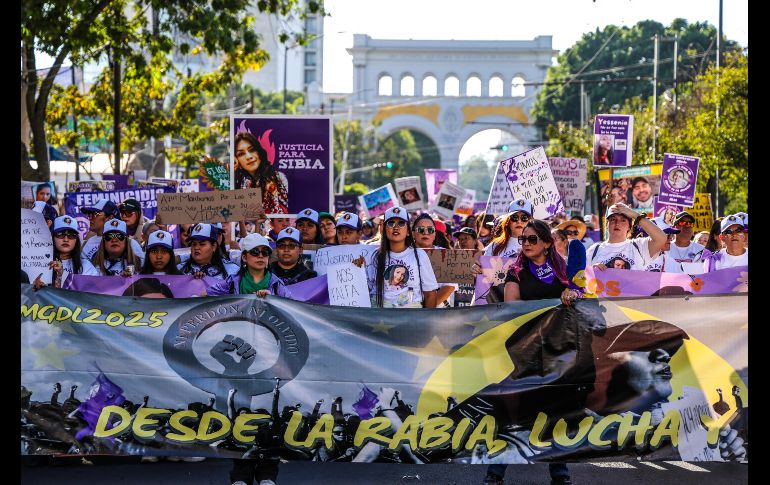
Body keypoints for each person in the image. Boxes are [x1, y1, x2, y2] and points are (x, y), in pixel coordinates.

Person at [484, 219, 578, 485]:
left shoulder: (564, 269)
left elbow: (582, 295)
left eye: (532, 239)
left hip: (557, 348)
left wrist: (573, 294)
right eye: (523, 239)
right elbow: (512, 306)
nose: (525, 243)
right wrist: (549, 304)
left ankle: (560, 473)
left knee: (554, 410)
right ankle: (495, 473)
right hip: (524, 349)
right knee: (514, 410)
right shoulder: (516, 271)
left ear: (547, 243)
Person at [367, 207, 439, 308]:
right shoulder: (374, 256)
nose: (396, 227)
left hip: (411, 319)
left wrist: (426, 322)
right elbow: (366, 290)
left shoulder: (419, 255)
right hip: (378, 318)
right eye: (391, 223)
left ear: (408, 231)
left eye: (401, 223)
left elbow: (430, 294)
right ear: (384, 229)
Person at [206, 233, 292, 298]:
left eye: (265, 252)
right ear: (244, 257)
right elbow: (206, 294)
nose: (260, 256)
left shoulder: (276, 284)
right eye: (255, 252)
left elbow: (292, 306)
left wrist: (272, 298)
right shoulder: (232, 282)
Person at [587, 203, 667, 271]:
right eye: (613, 219)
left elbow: (661, 239)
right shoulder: (594, 250)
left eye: (623, 220)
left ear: (629, 226)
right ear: (607, 224)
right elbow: (581, 277)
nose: (617, 223)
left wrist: (635, 215)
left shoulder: (638, 246)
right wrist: (592, 271)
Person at [33, 215, 99, 290]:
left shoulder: (85, 265)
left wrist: (62, 275)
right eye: (60, 235)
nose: (66, 239)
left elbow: (91, 292)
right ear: (52, 237)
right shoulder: (38, 263)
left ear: (76, 240)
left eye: (71, 235)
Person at [233, 131, 289, 214]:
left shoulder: (279, 178)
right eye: (241, 154)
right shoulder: (234, 183)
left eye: (252, 150)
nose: (249, 157)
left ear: (259, 152)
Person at [81, 198, 145, 264]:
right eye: (89, 214)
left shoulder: (131, 244)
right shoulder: (86, 244)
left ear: (110, 218)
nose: (90, 218)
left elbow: (142, 271)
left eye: (95, 214)